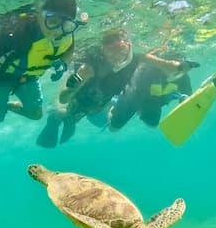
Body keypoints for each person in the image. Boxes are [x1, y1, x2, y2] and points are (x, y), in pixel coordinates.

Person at [0, 0, 83, 155]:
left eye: (67, 26)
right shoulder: (18, 34)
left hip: (28, 77)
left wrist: (63, 64)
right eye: (52, 21)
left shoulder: (66, 36)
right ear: (39, 16)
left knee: (36, 114)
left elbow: (69, 49)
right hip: (1, 77)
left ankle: (3, 106)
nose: (58, 31)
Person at [36, 28, 196, 147]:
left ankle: (64, 121)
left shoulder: (139, 58)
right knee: (67, 114)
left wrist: (183, 66)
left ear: (129, 46)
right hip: (84, 101)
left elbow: (168, 66)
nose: (117, 56)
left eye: (122, 49)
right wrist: (72, 88)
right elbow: (64, 98)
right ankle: (55, 119)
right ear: (103, 52)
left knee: (92, 117)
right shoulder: (89, 68)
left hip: (102, 102)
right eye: (111, 52)